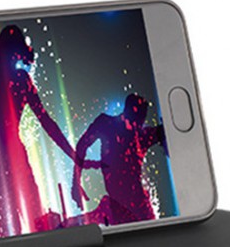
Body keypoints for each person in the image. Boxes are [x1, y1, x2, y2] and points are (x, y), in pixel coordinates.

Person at [0, 24, 91, 237]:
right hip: (6, 162)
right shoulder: (15, 82)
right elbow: (46, 122)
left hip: (1, 163)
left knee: (23, 229)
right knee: (26, 228)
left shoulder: (0, 84)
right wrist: (74, 155)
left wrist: (74, 155)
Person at [71, 94, 165, 225]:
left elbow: (82, 146)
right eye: (138, 119)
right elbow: (82, 146)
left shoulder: (141, 135)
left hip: (137, 207)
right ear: (128, 112)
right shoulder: (107, 125)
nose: (139, 124)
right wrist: (75, 182)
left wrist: (76, 182)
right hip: (124, 207)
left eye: (141, 120)